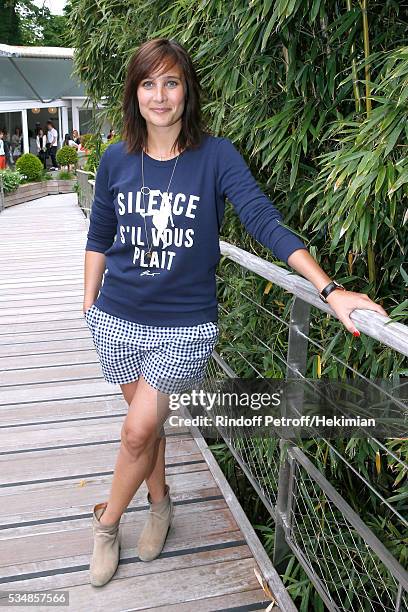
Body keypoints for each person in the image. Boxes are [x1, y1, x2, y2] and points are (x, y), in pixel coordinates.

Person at [83, 38, 388, 588]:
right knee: (146, 429)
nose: (160, 95)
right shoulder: (114, 159)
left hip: (185, 325)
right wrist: (88, 305)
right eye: (148, 83)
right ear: (134, 93)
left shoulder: (216, 157)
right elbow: (99, 236)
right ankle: (160, 503)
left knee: (136, 432)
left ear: (187, 92)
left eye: (171, 82)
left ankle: (105, 522)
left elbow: (265, 222)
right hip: (119, 317)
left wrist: (329, 288)